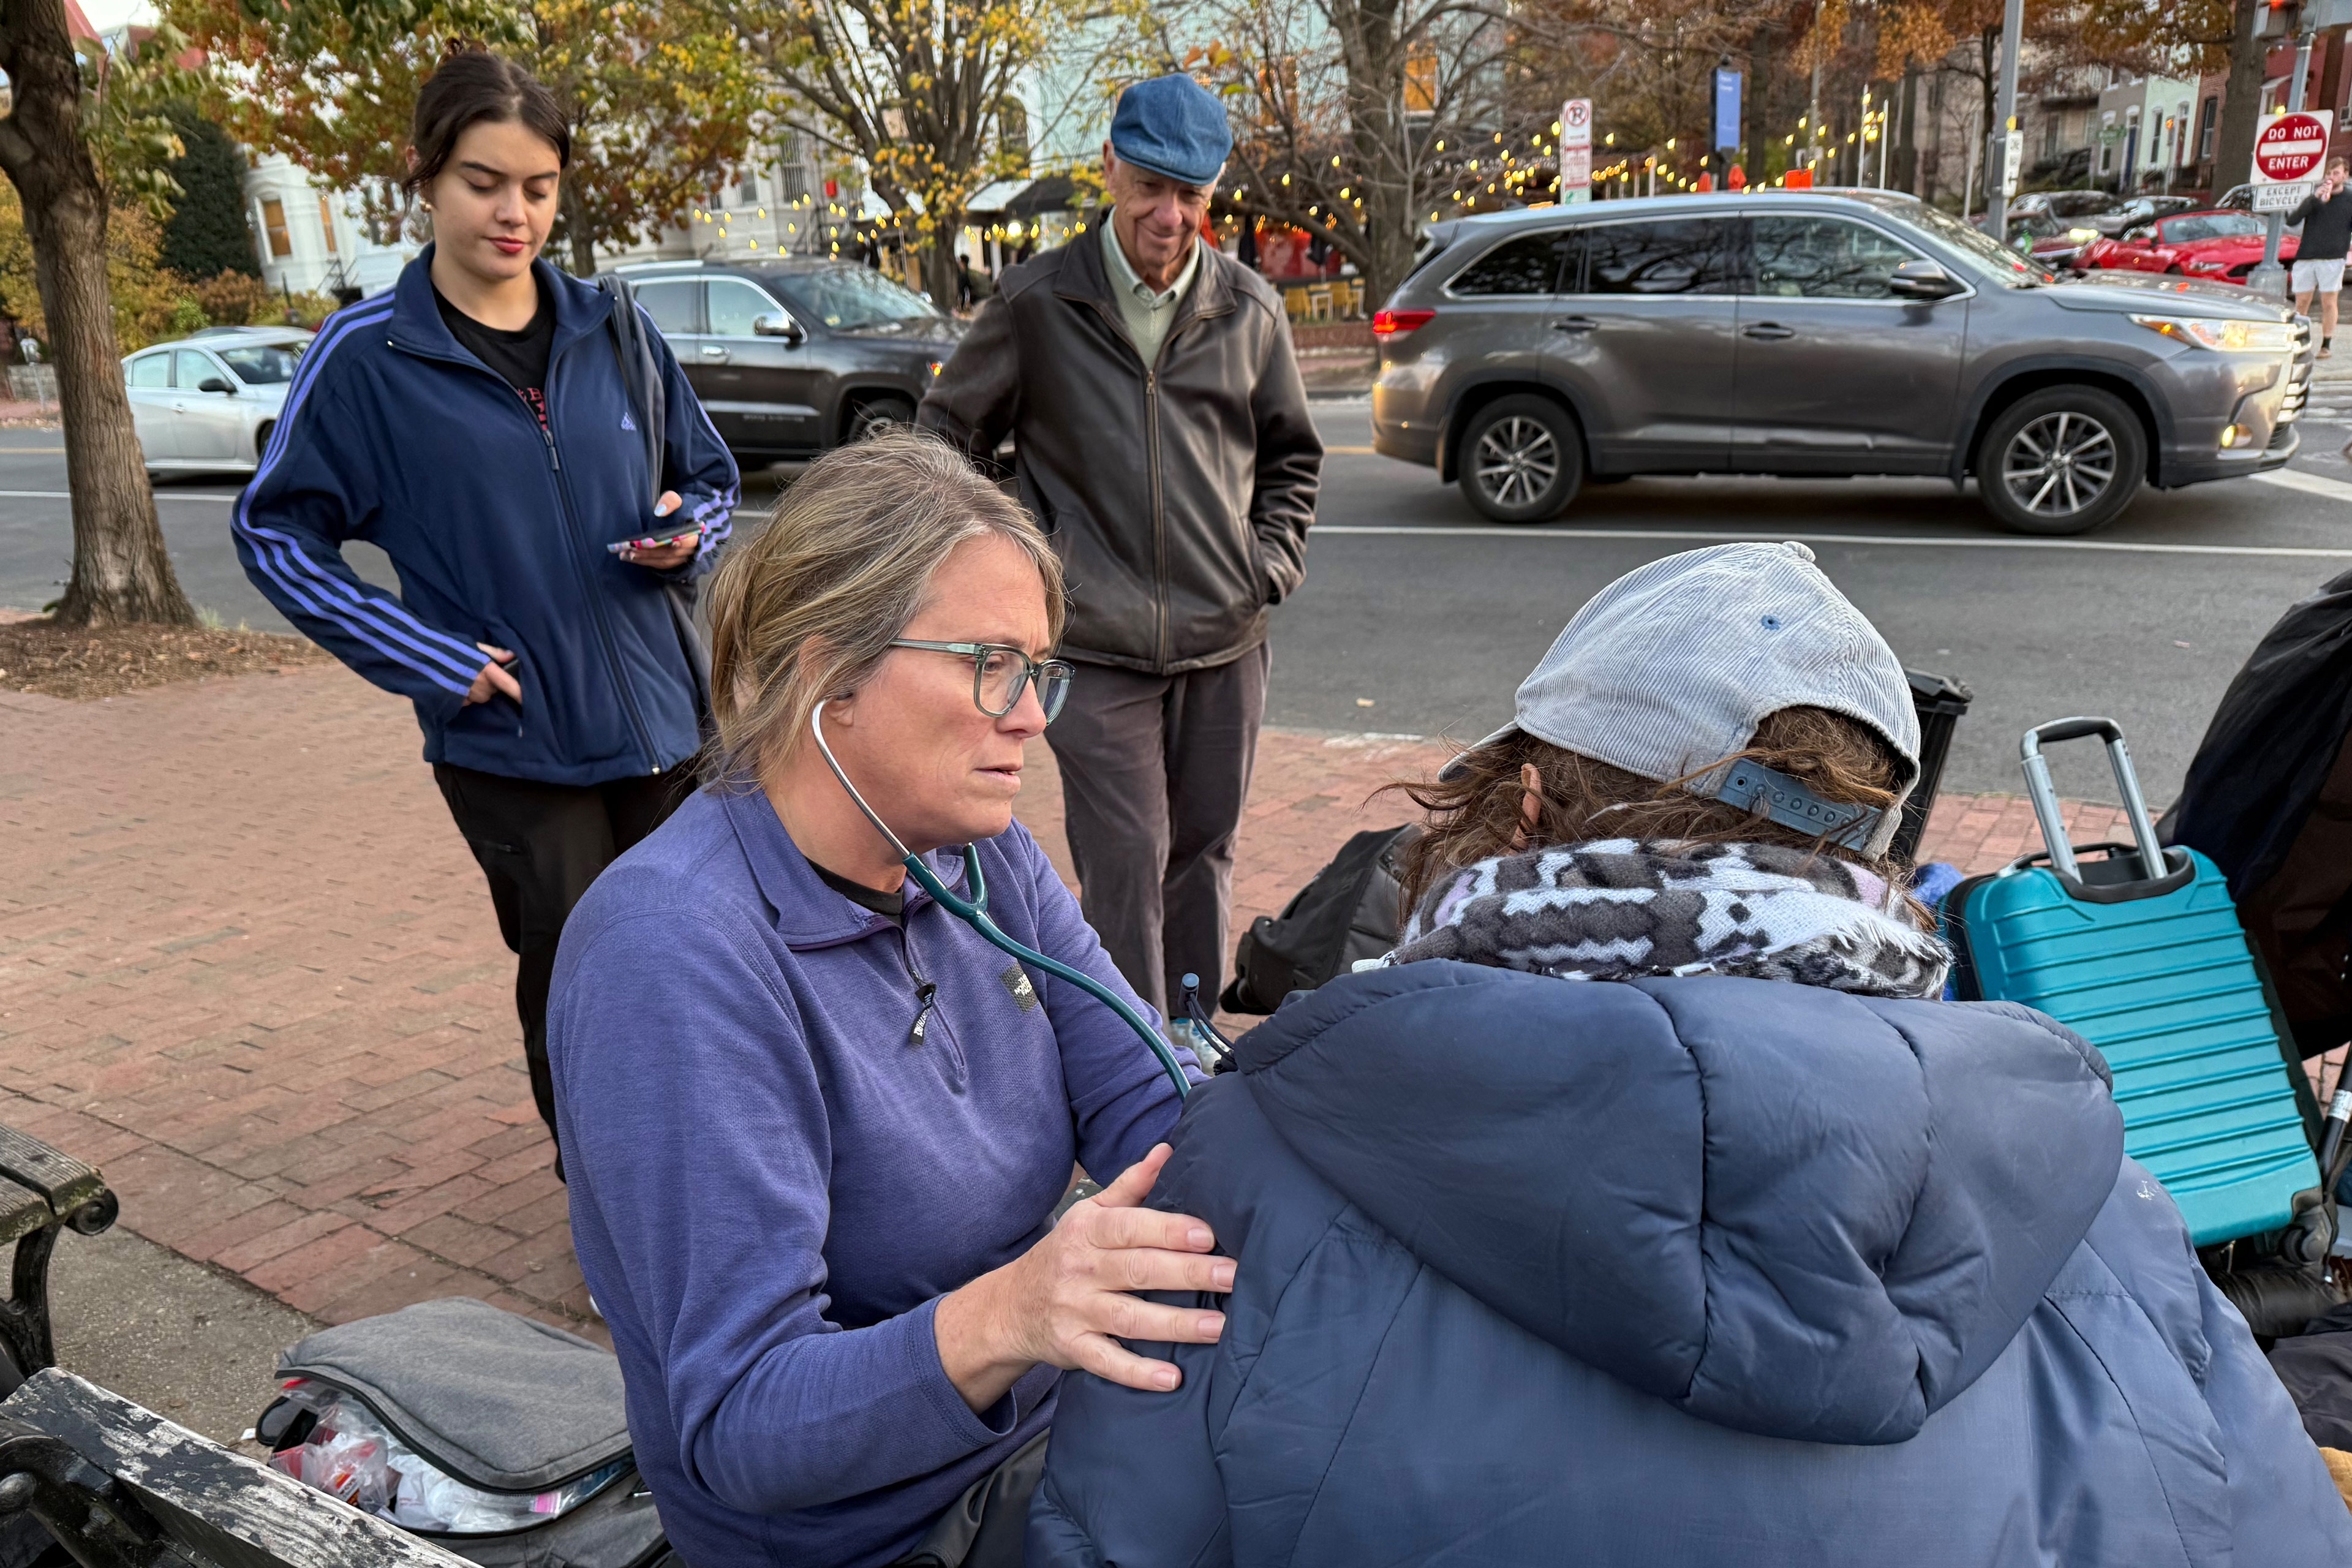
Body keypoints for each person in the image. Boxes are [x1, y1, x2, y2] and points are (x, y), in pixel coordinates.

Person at [1028, 541, 2352, 1567]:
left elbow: (1112, 1528)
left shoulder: (1266, 1144)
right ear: (1866, 851)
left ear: (1529, 804)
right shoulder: (2089, 1179)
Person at [546, 432, 1228, 1568]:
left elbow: (1156, 1106)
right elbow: (742, 1421)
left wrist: (1327, 1116)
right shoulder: (673, 952)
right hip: (873, 1533)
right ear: (828, 675)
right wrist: (1014, 1313)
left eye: (1040, 670)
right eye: (989, 663)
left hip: (1054, 1442)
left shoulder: (978, 857)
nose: (1032, 716)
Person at [233, 45, 739, 1169]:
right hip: (515, 740)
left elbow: (713, 480)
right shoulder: (367, 359)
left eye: (540, 188)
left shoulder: (614, 328)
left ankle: (705, 1169)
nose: (515, 213)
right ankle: (614, 1202)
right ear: (424, 175)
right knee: (585, 970)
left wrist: (685, 536)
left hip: (666, 720)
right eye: (484, 182)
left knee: (696, 954)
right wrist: (421, 652)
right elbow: (272, 530)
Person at [919, 73, 1322, 1016]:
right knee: (1126, 862)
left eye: (1190, 194)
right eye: (1149, 185)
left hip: (1226, 637)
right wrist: (1022, 571)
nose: (1169, 215)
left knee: (1203, 851)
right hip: (1093, 648)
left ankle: (1192, 1033)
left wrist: (1268, 566)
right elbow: (944, 439)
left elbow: (1293, 459)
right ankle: (1140, 1062)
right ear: (1109, 169)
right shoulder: (1035, 303)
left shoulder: (1250, 310)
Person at [2291, 156, 2352, 358]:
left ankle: (2326, 344)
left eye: (2336, 173)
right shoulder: (2315, 198)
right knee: (2302, 302)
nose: (2332, 177)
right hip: (2307, 255)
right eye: (2329, 173)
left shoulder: (2349, 199)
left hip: (2333, 258)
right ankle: (2298, 341)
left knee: (2329, 301)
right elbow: (2293, 220)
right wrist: (2313, 200)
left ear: (2345, 175)